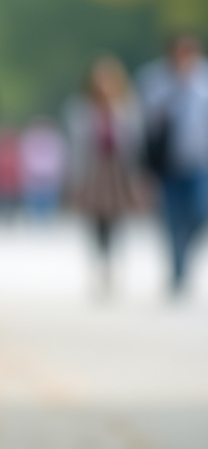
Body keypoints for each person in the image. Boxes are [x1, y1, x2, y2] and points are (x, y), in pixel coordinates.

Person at [63, 56, 146, 294]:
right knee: (95, 220)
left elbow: (135, 145)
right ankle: (100, 261)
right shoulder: (80, 109)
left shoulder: (126, 108)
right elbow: (76, 147)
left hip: (118, 170)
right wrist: (74, 179)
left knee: (116, 219)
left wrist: (138, 177)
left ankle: (111, 262)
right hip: (93, 170)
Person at [136, 33, 208, 295]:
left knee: (200, 213)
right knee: (171, 220)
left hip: (200, 162)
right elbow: (146, 125)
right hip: (167, 165)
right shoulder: (154, 81)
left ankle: (185, 254)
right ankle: (177, 269)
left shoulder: (204, 80)